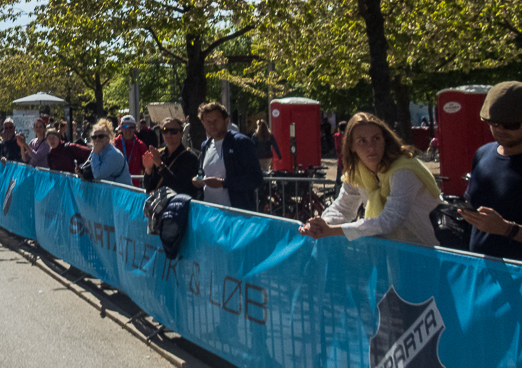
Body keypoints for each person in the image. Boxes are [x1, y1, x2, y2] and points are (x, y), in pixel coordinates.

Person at [298, 112, 440, 246]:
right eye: (362, 141)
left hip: (426, 249)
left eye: (376, 138)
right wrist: (319, 226)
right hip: (390, 251)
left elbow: (390, 220)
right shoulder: (357, 172)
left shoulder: (403, 170)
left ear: (385, 140)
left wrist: (332, 230)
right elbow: (343, 208)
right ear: (351, 146)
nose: (371, 147)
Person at [460, 81, 522, 261]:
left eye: (511, 124)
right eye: (493, 123)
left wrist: (506, 229)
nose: (500, 129)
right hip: (482, 272)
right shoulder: (483, 153)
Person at [192, 102, 263, 211]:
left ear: (227, 121)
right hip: (210, 213)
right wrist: (198, 180)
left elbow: (256, 179)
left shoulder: (240, 142)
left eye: (216, 121)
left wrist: (223, 183)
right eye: (208, 122)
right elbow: (203, 173)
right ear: (203, 123)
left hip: (236, 215)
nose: (212, 125)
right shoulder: (205, 145)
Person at [141, 117, 198, 196]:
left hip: (179, 205)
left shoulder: (190, 157)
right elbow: (149, 187)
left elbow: (179, 187)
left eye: (173, 131)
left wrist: (160, 165)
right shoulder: (159, 154)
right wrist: (148, 169)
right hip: (160, 205)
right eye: (165, 130)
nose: (168, 134)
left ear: (181, 133)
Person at [88, 119, 128, 184]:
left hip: (122, 192)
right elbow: (89, 167)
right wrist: (82, 171)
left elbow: (98, 175)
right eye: (94, 137)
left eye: (101, 136)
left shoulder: (113, 154)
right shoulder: (96, 150)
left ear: (108, 138)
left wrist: (95, 154)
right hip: (109, 192)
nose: (97, 139)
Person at [112, 115, 148, 185]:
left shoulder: (140, 145)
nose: (128, 130)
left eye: (131, 127)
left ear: (135, 128)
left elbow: (146, 168)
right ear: (121, 128)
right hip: (116, 186)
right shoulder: (113, 143)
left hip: (134, 187)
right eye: (125, 126)